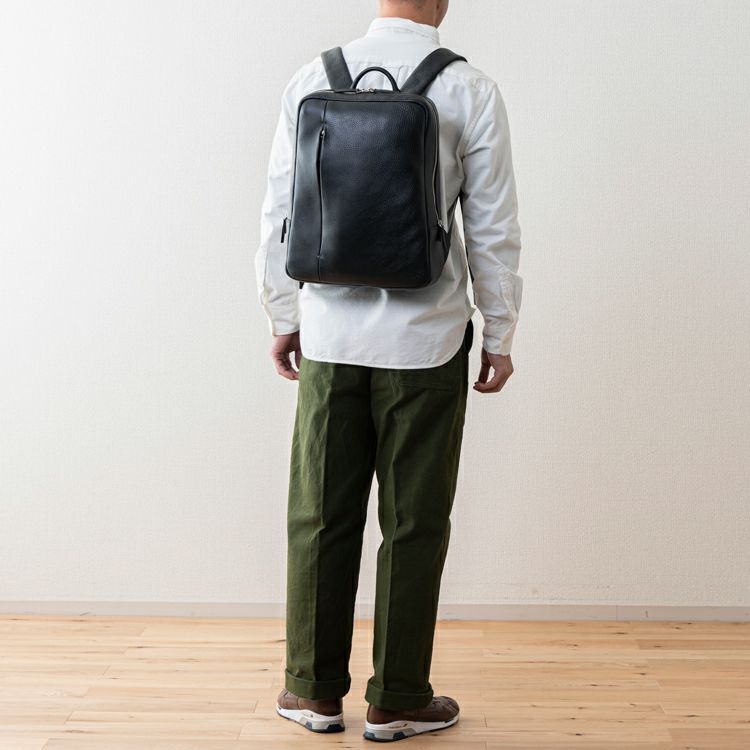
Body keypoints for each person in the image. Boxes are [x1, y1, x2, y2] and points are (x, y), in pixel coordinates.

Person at [255, 0, 523, 741]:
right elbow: (493, 227)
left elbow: (279, 210)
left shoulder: (314, 77)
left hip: (329, 335)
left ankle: (311, 691)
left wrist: (283, 315)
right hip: (426, 342)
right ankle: (398, 697)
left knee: (319, 516)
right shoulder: (469, 89)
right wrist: (500, 332)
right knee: (414, 523)